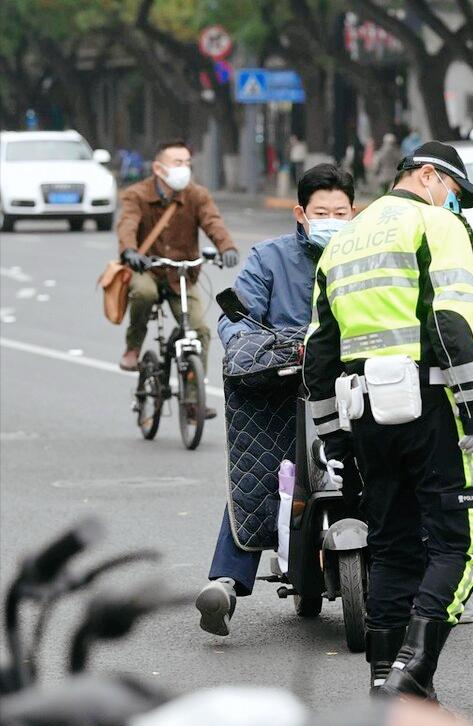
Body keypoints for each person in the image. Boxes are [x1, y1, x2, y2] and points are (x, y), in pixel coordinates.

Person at [303, 142, 473, 697]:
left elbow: (319, 353)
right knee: (462, 547)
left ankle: (383, 681)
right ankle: (412, 675)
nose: (456, 206)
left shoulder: (346, 238)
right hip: (432, 406)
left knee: (391, 547)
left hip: (365, 415)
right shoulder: (432, 223)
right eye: (455, 194)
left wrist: (336, 439)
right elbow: (452, 319)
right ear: (430, 177)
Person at [194, 165, 356, 637]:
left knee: (393, 471)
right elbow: (235, 319)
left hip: (353, 390)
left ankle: (426, 585)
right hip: (283, 389)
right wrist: (278, 348)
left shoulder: (371, 255)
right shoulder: (270, 257)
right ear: (301, 214)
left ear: (355, 211)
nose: (331, 219)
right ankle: (225, 584)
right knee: (262, 472)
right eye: (322, 212)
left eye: (340, 212)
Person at [117, 139, 239, 400]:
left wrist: (226, 247)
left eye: (187, 163)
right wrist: (130, 251)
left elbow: (213, 222)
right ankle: (133, 346)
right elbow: (127, 223)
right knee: (144, 294)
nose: (184, 168)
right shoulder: (137, 194)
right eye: (178, 163)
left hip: (181, 275)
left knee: (200, 330)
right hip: (147, 269)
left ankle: (195, 398)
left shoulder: (197, 195)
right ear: (159, 169)